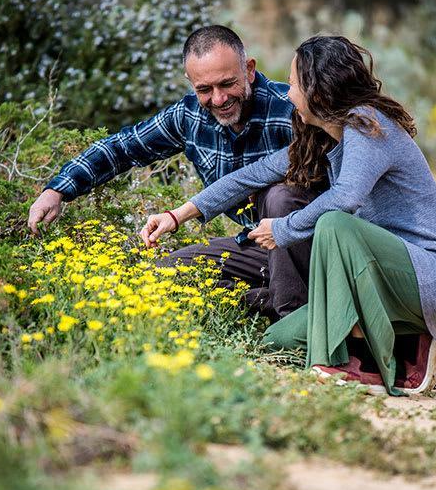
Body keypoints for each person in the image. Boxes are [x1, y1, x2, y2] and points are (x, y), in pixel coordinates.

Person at [142, 35, 436, 396]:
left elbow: (346, 197)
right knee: (278, 339)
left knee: (334, 222)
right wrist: (179, 214)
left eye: (293, 83)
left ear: (317, 88)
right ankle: (402, 352)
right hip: (380, 283)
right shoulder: (323, 138)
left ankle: (385, 346)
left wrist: (284, 229)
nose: (287, 94)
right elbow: (250, 176)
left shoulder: (368, 124)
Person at [28, 25, 323, 318]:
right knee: (165, 274)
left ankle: (296, 324)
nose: (218, 99)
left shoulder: (293, 108)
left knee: (281, 196)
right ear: (191, 83)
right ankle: (273, 298)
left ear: (248, 69)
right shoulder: (188, 117)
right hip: (259, 245)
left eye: (227, 83)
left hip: (315, 247)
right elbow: (122, 148)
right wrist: (57, 190)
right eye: (204, 89)